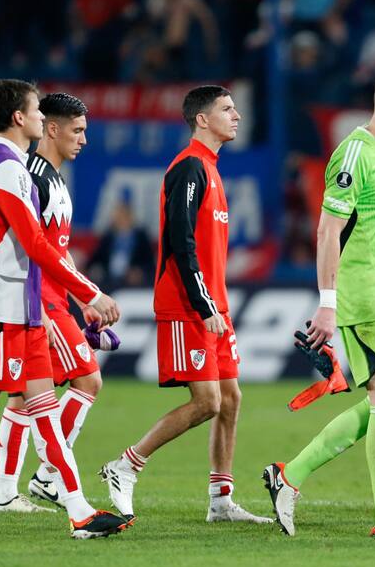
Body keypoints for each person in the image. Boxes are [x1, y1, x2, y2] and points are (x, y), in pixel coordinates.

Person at [0, 79, 126, 540]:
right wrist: (89, 293)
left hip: (22, 313)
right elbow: (35, 243)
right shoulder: (5, 167)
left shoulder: (12, 166)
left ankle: (78, 511)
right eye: (37, 110)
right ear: (19, 117)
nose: (41, 118)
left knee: (43, 406)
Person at [262, 69, 375, 541]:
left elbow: (374, 222)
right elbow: (328, 231)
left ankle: (290, 476)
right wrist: (327, 303)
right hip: (362, 298)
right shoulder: (355, 153)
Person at [99, 85, 270, 525]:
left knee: (231, 398)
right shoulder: (189, 167)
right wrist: (202, 302)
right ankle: (126, 465)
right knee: (208, 401)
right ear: (201, 119)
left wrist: (215, 304)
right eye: (227, 109)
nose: (236, 116)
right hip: (188, 305)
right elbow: (180, 240)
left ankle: (221, 500)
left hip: (215, 306)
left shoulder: (211, 169)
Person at [0, 92, 118, 512]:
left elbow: (57, 250)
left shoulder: (54, 178)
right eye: (77, 131)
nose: (83, 139)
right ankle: (48, 476)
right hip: (39, 301)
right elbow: (28, 248)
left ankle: (6, 493)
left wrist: (82, 299)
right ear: (51, 128)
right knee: (87, 381)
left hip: (53, 300)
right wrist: (51, 306)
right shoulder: (33, 176)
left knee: (23, 398)